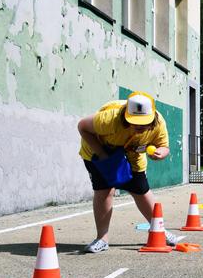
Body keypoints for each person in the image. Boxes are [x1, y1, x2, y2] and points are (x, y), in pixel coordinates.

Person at [77, 91, 179, 253]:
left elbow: (164, 146)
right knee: (104, 191)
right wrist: (102, 155)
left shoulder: (159, 123)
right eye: (135, 122)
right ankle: (102, 239)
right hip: (98, 151)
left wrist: (161, 153)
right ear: (126, 116)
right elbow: (82, 126)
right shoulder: (110, 118)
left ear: (152, 117)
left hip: (132, 154)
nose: (139, 127)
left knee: (141, 190)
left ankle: (159, 230)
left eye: (144, 123)